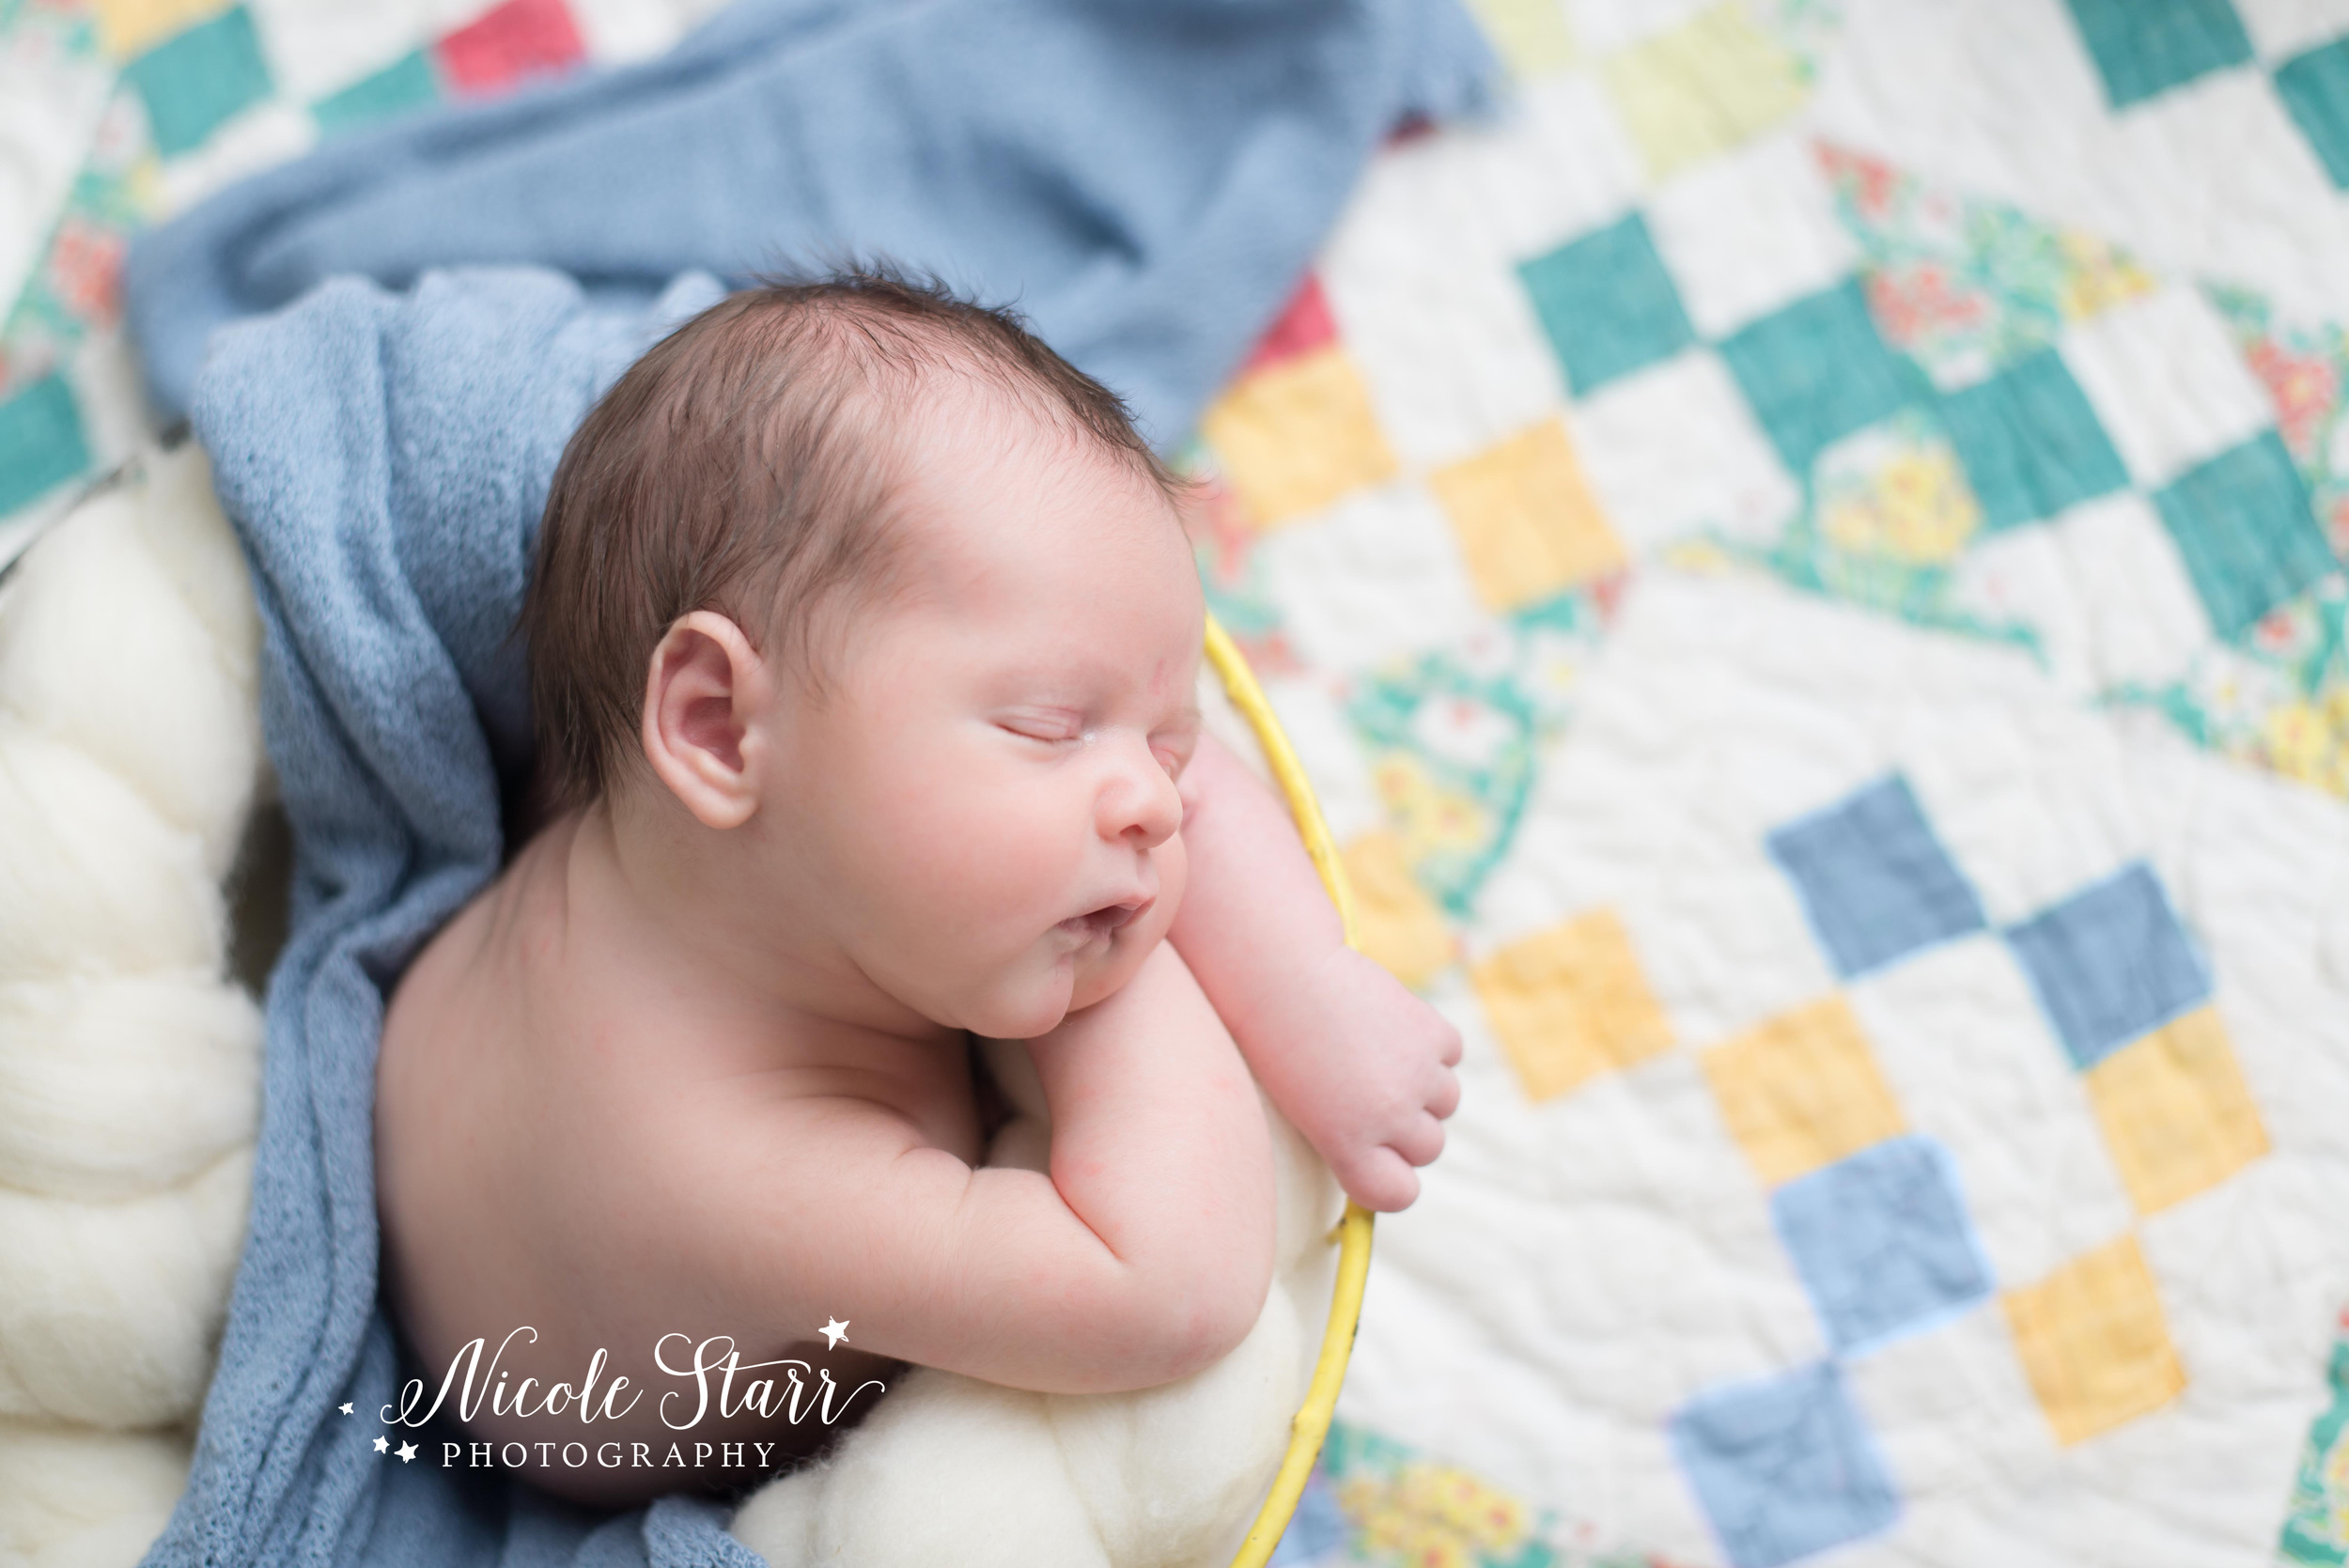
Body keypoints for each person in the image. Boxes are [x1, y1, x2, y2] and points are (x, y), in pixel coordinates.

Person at [373, 269, 1463, 1505]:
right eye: (1053, 724)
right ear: (719, 725)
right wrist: (1126, 971)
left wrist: (1304, 983)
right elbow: (1173, 1286)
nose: (1165, 802)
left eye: (1163, 740)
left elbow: (1188, 771)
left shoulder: (693, 821)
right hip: (530, 1416)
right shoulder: (722, 1158)